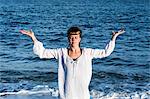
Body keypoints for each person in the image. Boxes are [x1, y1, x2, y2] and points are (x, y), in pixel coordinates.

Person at [20, 27, 125, 99]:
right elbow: (42, 53)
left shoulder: (88, 52)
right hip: (66, 95)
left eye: (75, 37)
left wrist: (113, 38)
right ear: (68, 39)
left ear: (80, 39)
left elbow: (105, 52)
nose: (73, 39)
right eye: (71, 37)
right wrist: (33, 38)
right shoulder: (61, 52)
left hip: (83, 95)